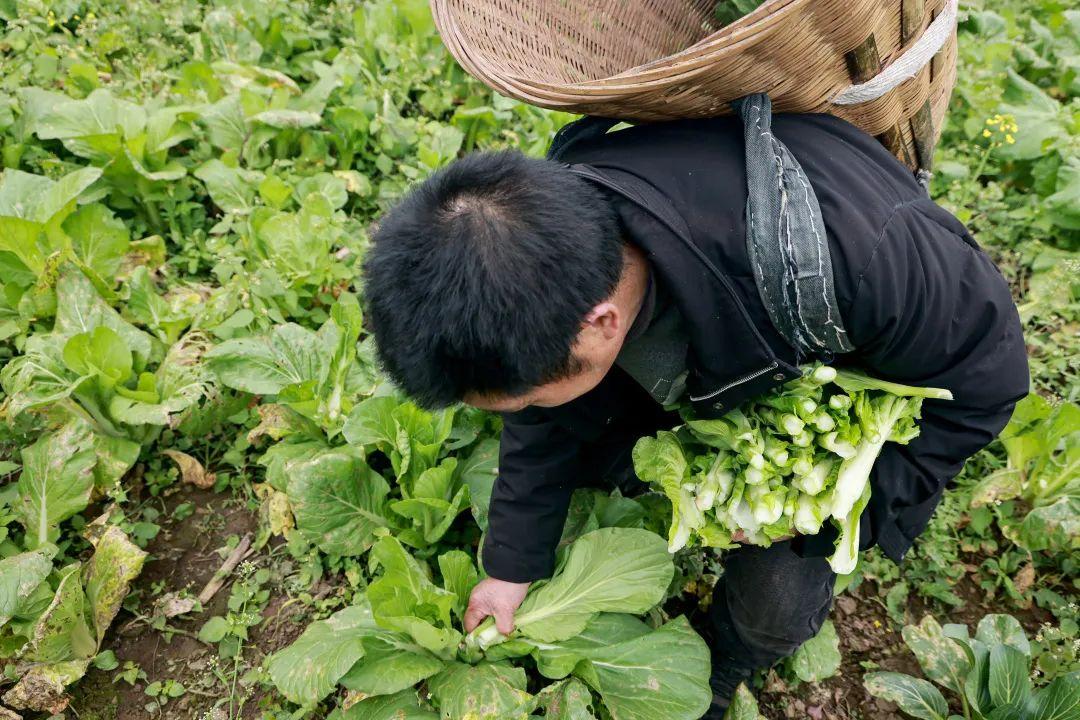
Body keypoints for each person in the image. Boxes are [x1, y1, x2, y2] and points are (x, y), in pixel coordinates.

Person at [361, 107, 1029, 716]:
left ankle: (730, 659)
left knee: (777, 602)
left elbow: (987, 380)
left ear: (600, 324)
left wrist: (836, 510)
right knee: (580, 433)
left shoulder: (864, 258)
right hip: (717, 338)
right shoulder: (539, 247)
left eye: (527, 395)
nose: (524, 411)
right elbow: (538, 418)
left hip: (818, 358)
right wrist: (511, 566)